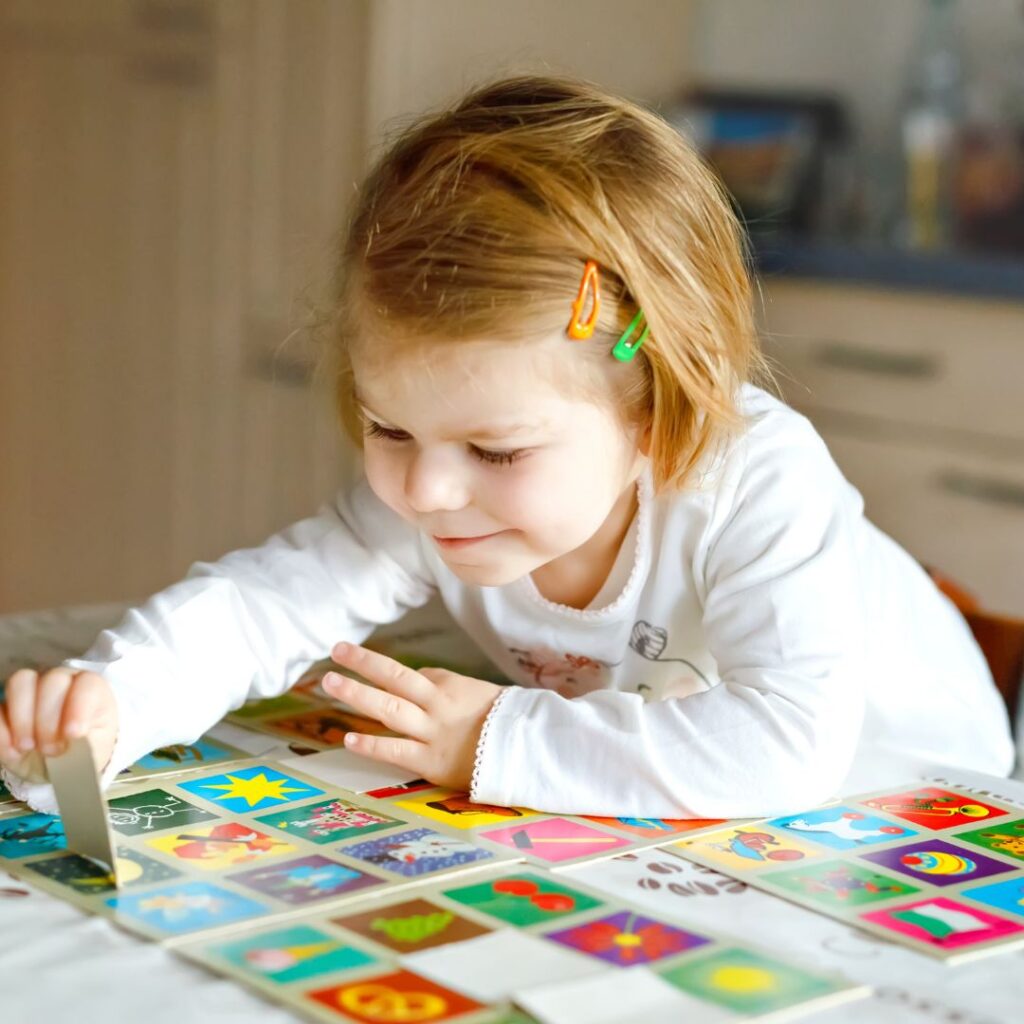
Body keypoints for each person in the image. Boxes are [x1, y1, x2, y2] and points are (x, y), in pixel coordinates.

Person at [0, 75, 1014, 819]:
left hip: (919, 812)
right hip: (707, 833)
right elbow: (266, 605)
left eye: (496, 450)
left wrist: (492, 738)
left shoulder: (755, 478)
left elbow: (785, 749)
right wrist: (113, 702)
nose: (429, 488)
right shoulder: (438, 488)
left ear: (657, 410)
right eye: (387, 425)